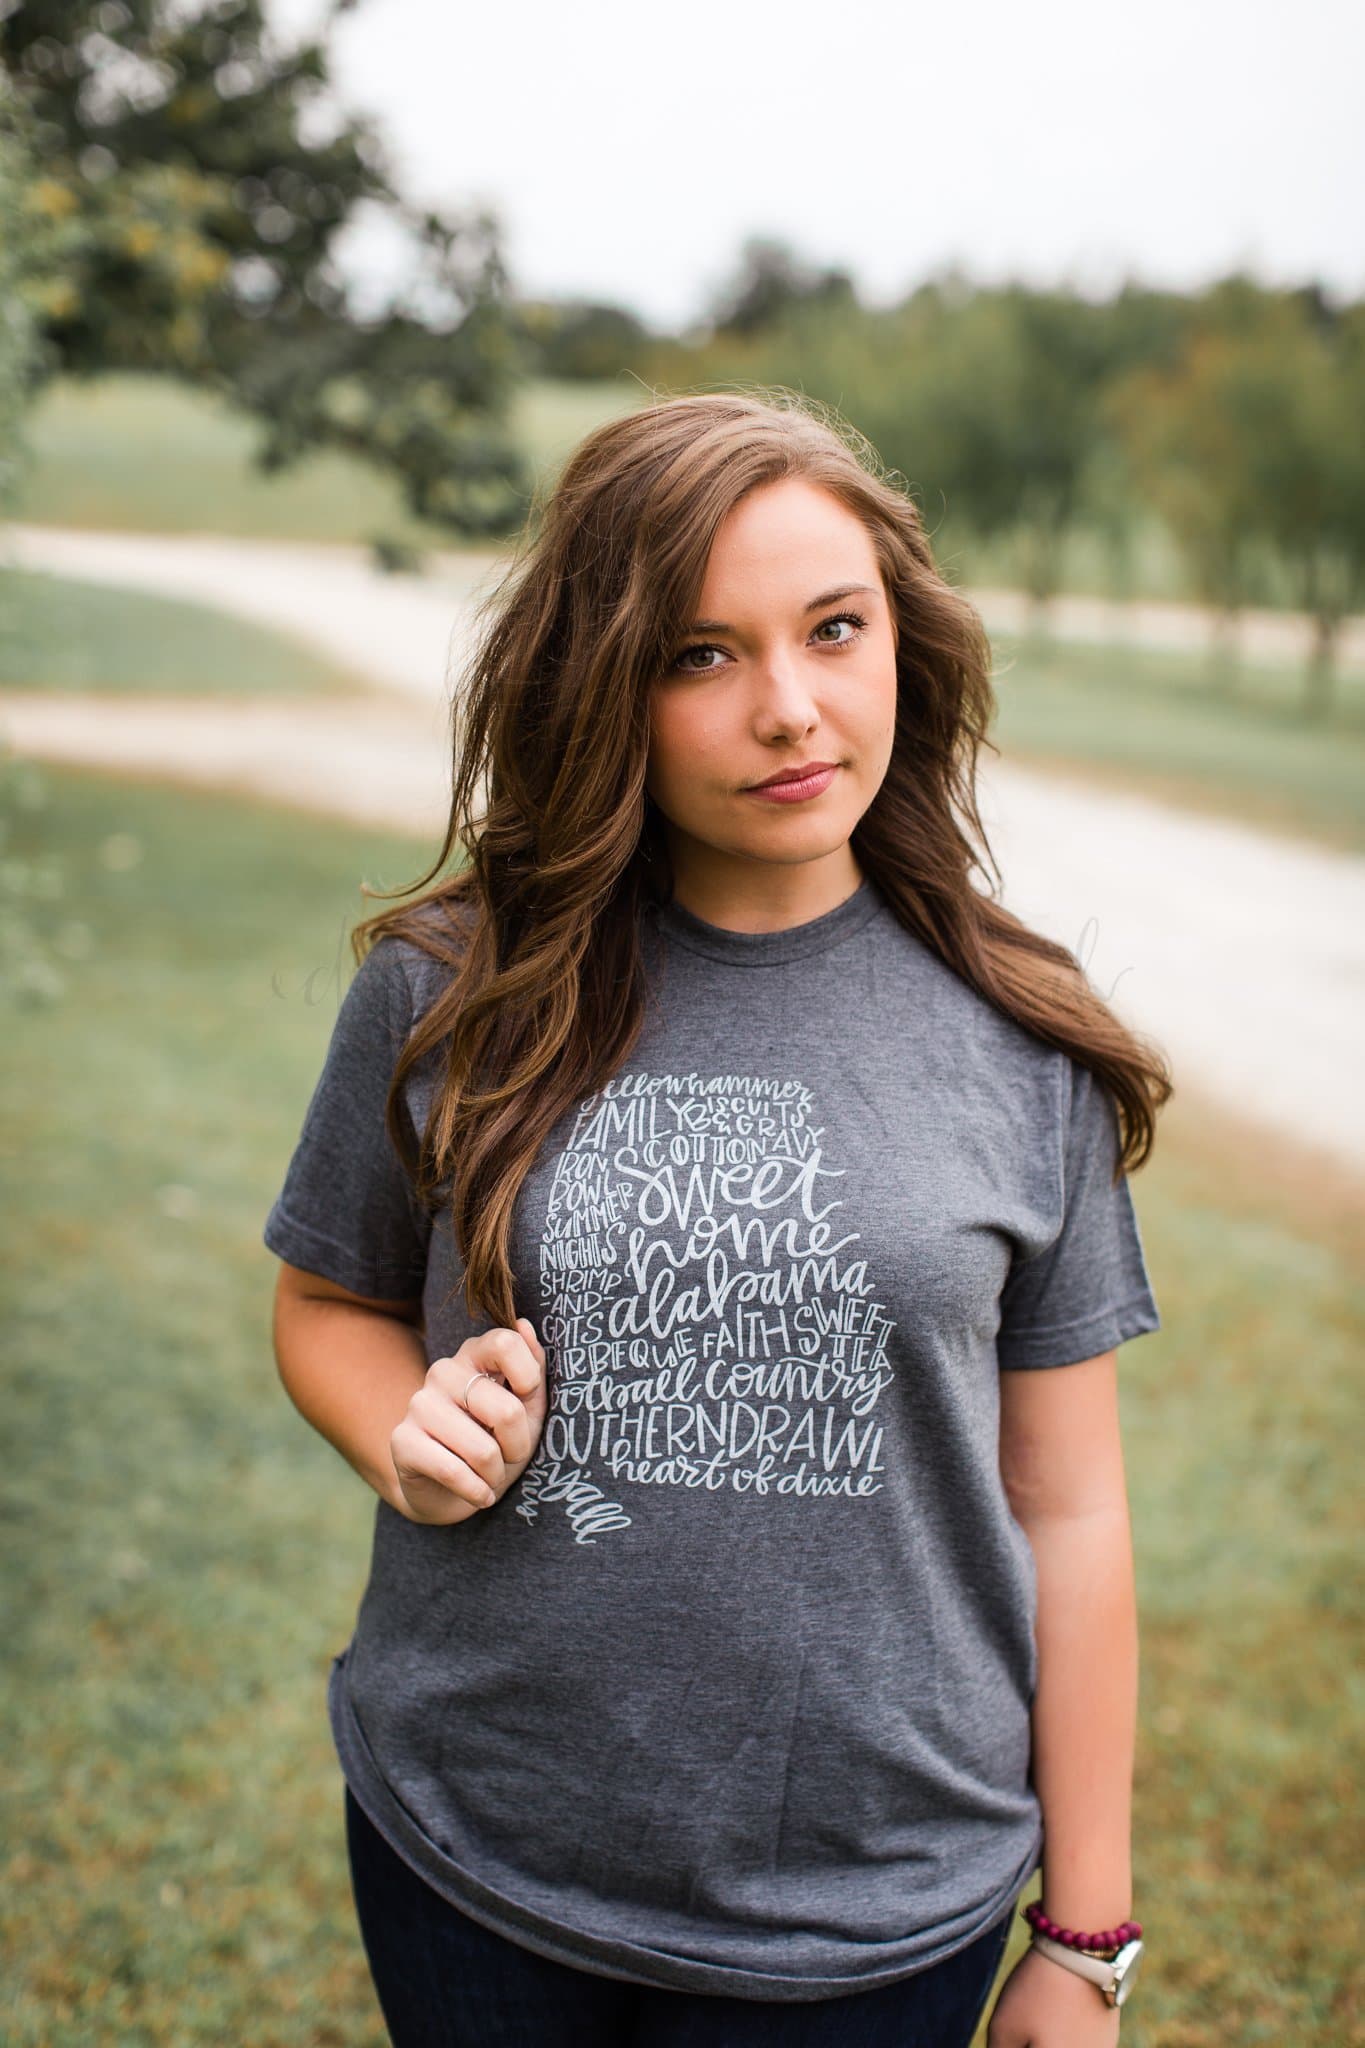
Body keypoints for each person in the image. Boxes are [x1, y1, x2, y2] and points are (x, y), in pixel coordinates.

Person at [264, 389, 1170, 2048]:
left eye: (833, 629)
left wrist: (1085, 1936)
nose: (788, 709)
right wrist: (406, 1431)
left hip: (875, 1904)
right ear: (602, 680)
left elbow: (1071, 1510)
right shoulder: (454, 986)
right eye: (700, 654)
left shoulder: (1020, 1035)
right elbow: (328, 1304)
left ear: (904, 639)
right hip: (478, 1847)